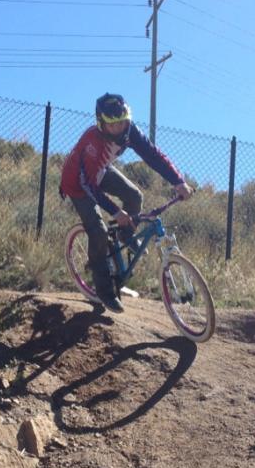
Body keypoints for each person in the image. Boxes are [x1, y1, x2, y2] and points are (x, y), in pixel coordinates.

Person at [60, 93, 191, 313]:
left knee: (135, 196)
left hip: (101, 171)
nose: (119, 128)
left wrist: (178, 181)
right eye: (113, 125)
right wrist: (115, 211)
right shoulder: (92, 141)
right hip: (78, 184)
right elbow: (88, 185)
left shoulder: (130, 132)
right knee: (98, 230)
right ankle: (104, 291)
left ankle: (124, 234)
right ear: (101, 124)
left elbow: (153, 156)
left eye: (122, 121)